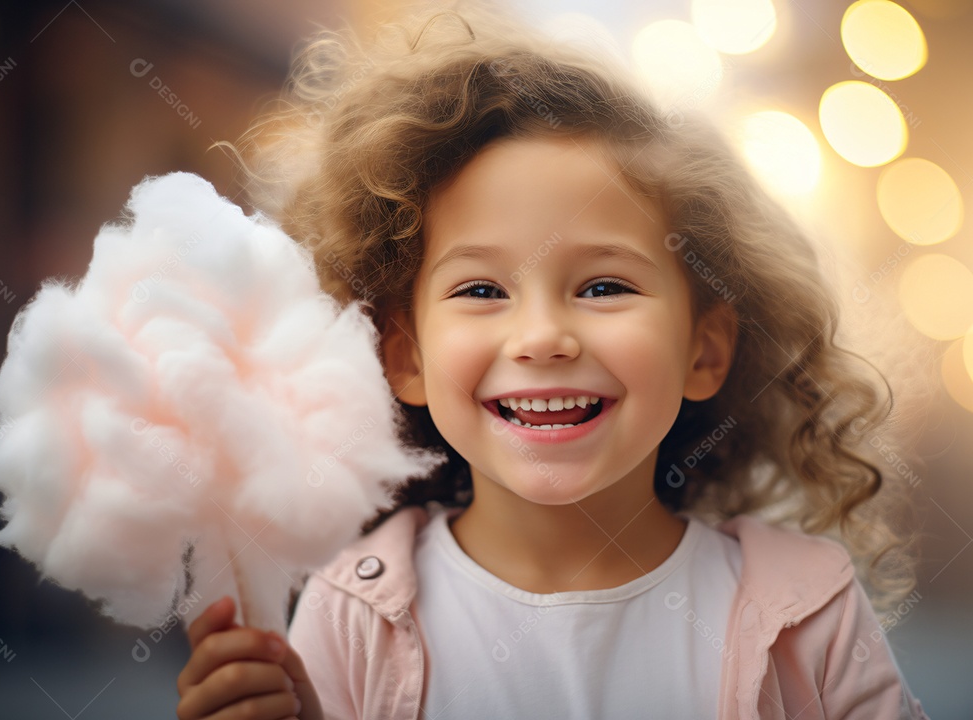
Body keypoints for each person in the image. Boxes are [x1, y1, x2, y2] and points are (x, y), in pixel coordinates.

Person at [175, 5, 929, 719]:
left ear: (704, 350)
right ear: (404, 359)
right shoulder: (353, 612)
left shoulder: (807, 607)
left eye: (604, 286)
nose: (542, 337)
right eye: (481, 289)